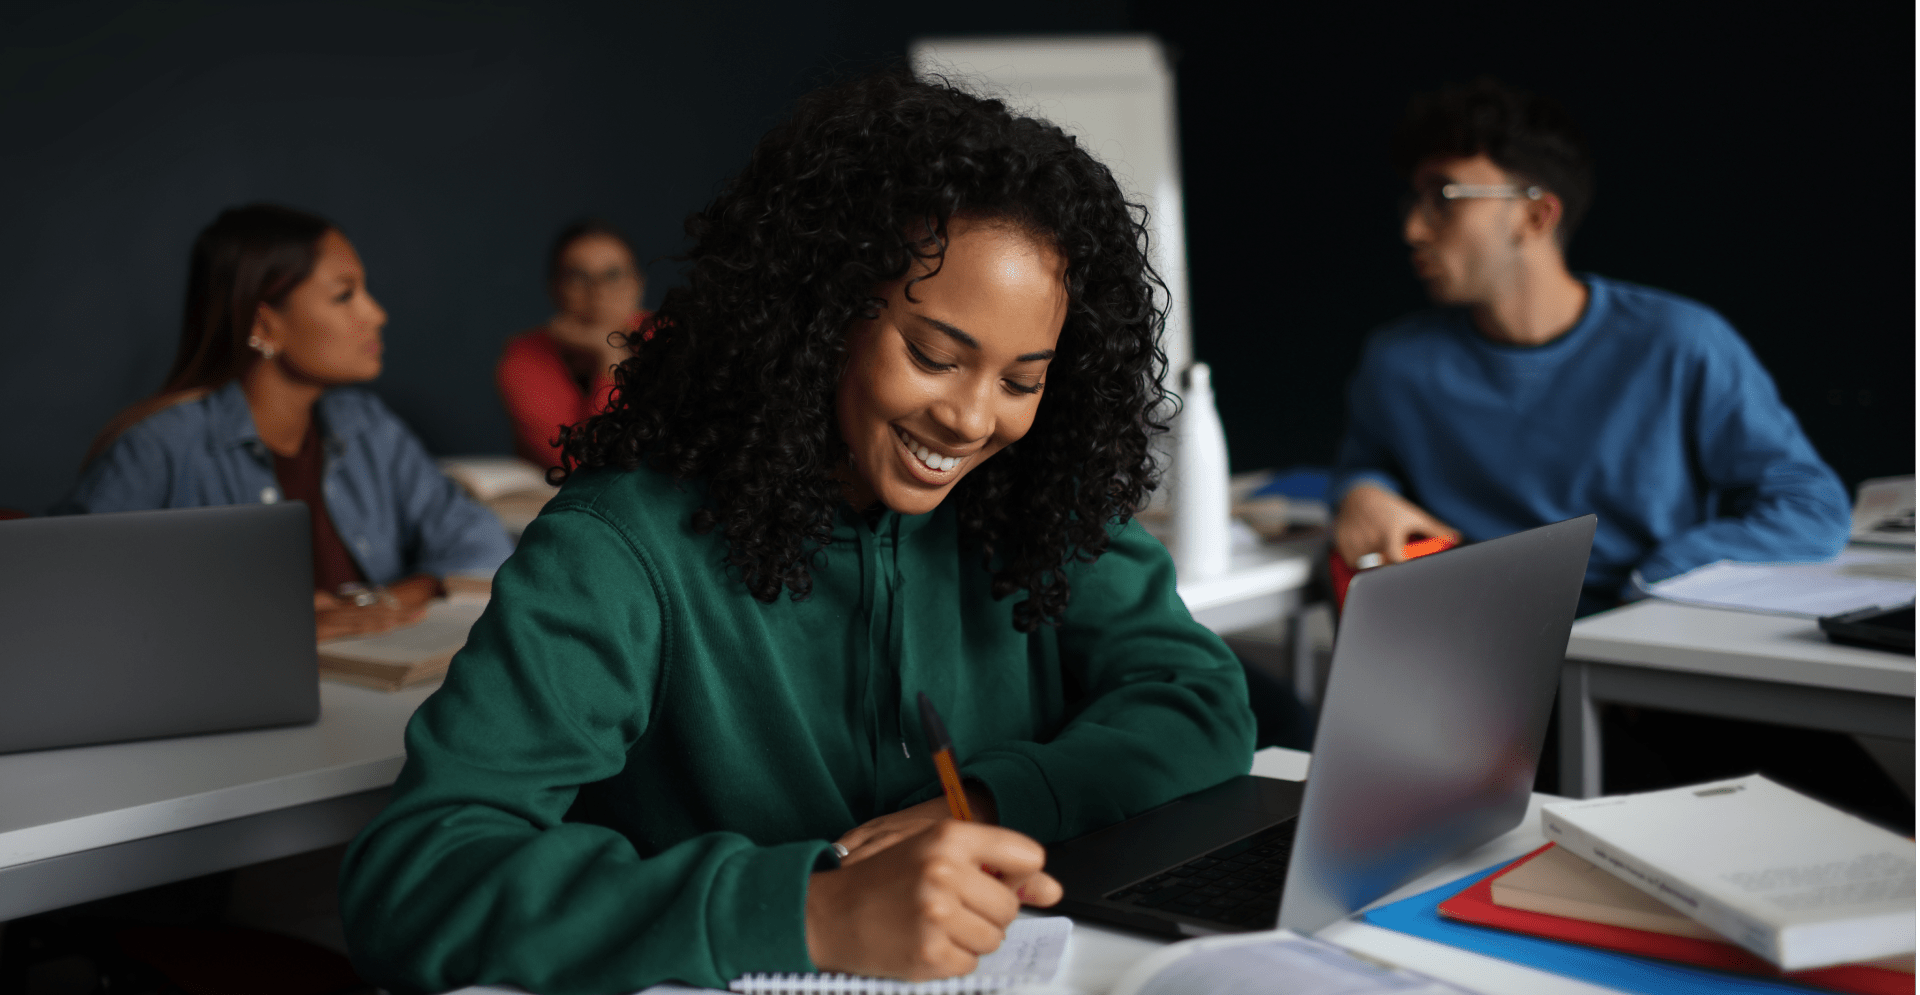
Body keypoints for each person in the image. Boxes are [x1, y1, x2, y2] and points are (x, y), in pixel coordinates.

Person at [339, 73, 1256, 993]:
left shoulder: (1027, 497)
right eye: (934, 355)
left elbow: (1201, 697)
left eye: (1023, 380)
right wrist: (812, 910)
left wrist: (985, 798)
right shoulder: (620, 549)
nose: (974, 419)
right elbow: (415, 877)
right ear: (824, 312)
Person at [1329, 78, 1850, 614]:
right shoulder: (1397, 363)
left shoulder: (1678, 342)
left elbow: (1811, 505)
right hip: (1475, 638)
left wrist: (1661, 575)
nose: (1413, 229)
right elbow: (1366, 463)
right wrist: (1359, 492)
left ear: (1536, 215)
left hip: (1646, 635)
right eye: (1414, 201)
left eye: (1443, 198)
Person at [59, 204, 513, 640]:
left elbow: (482, 541)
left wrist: (388, 601)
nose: (376, 313)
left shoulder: (367, 425)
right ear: (264, 324)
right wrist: (264, 626)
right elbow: (69, 604)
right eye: (344, 295)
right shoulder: (160, 446)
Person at [496, 219, 649, 469]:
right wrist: (610, 357)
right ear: (554, 289)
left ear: (638, 285)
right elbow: (582, 464)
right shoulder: (525, 358)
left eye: (613, 276)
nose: (597, 292)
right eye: (579, 277)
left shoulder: (670, 338)